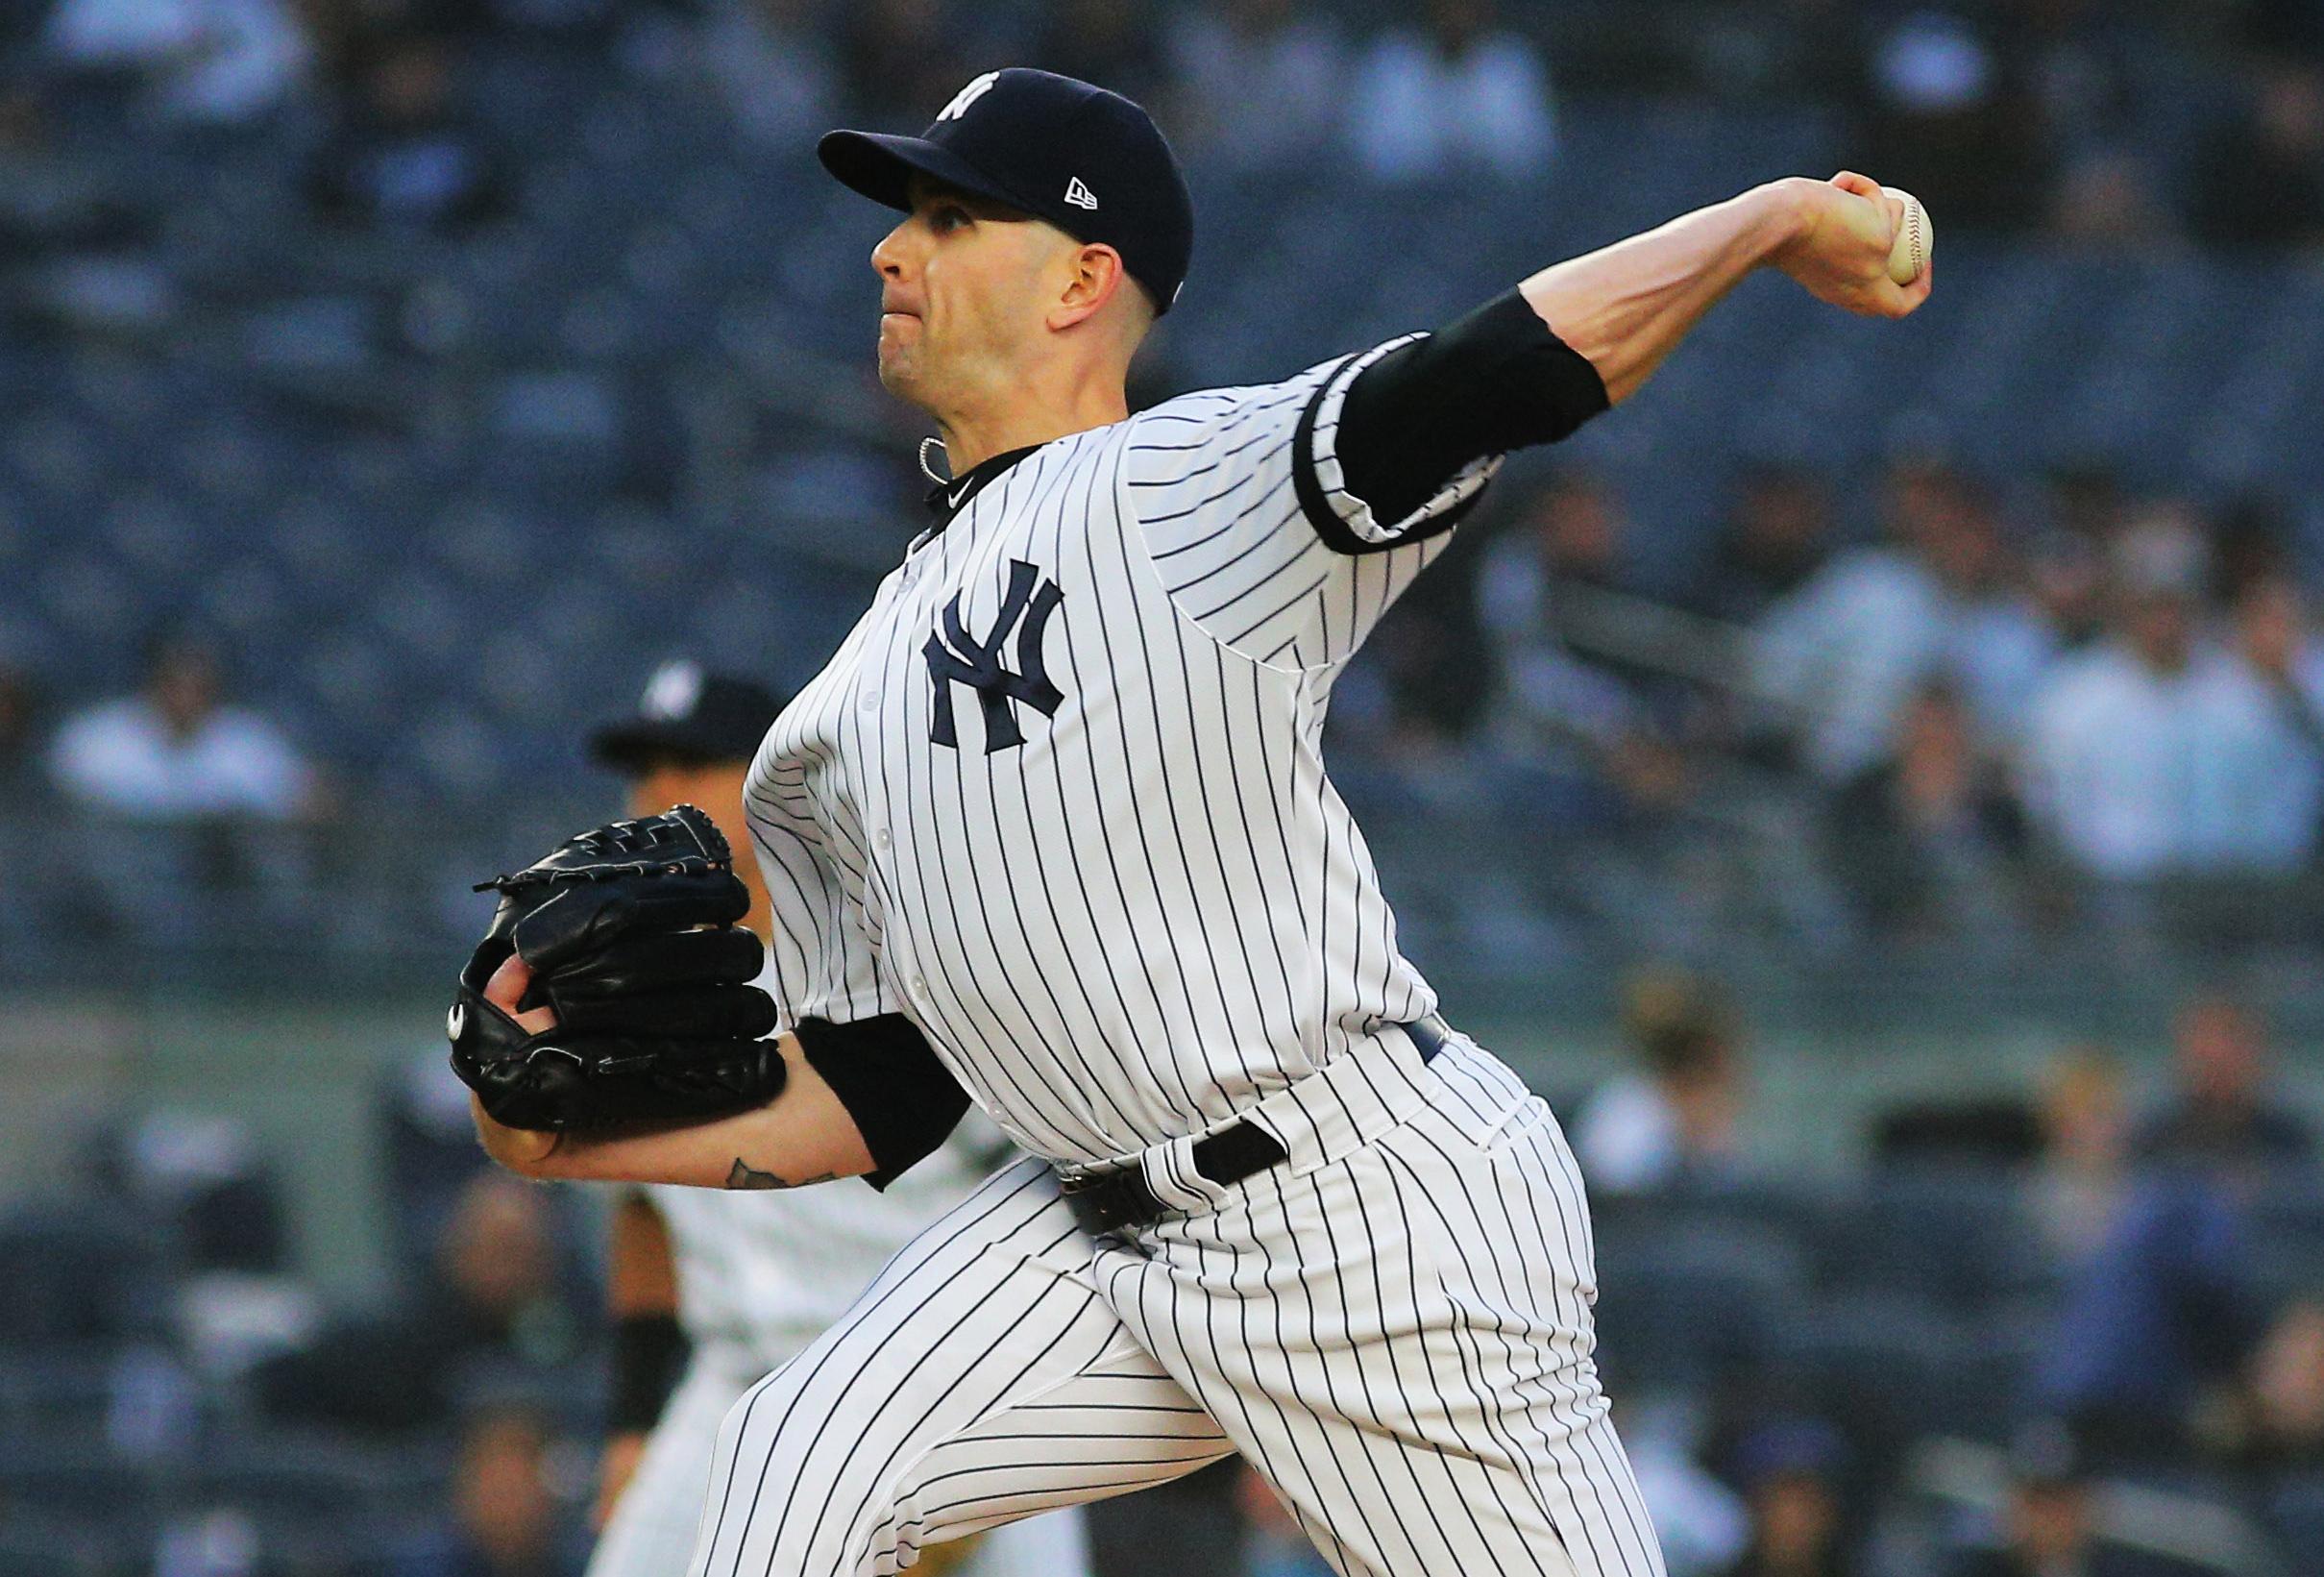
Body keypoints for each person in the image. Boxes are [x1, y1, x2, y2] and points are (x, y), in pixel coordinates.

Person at [466, 65, 1928, 1575]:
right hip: (1096, 1233)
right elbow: (882, 1082)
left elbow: (1486, 377)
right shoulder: (842, 698)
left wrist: (1760, 221)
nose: (892, 253)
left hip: (1364, 1222)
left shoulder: (1178, 486)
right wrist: (568, 1134)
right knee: (792, 1463)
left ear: (1081, 279)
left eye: (951, 217)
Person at [578, 661, 1089, 1577]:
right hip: (730, 1391)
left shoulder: (889, 963)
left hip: (932, 1387)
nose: (653, 795)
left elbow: (1057, 1173)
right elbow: (647, 1215)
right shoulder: (631, 987)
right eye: (642, 770)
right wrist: (628, 1423)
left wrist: (988, 1419)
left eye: (689, 766)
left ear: (771, 778)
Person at [2130, 993, 2313, 1173]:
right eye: (2205, 1043)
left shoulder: (2288, 1141)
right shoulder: (2156, 1140)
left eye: (2231, 1040)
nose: (2219, 1054)